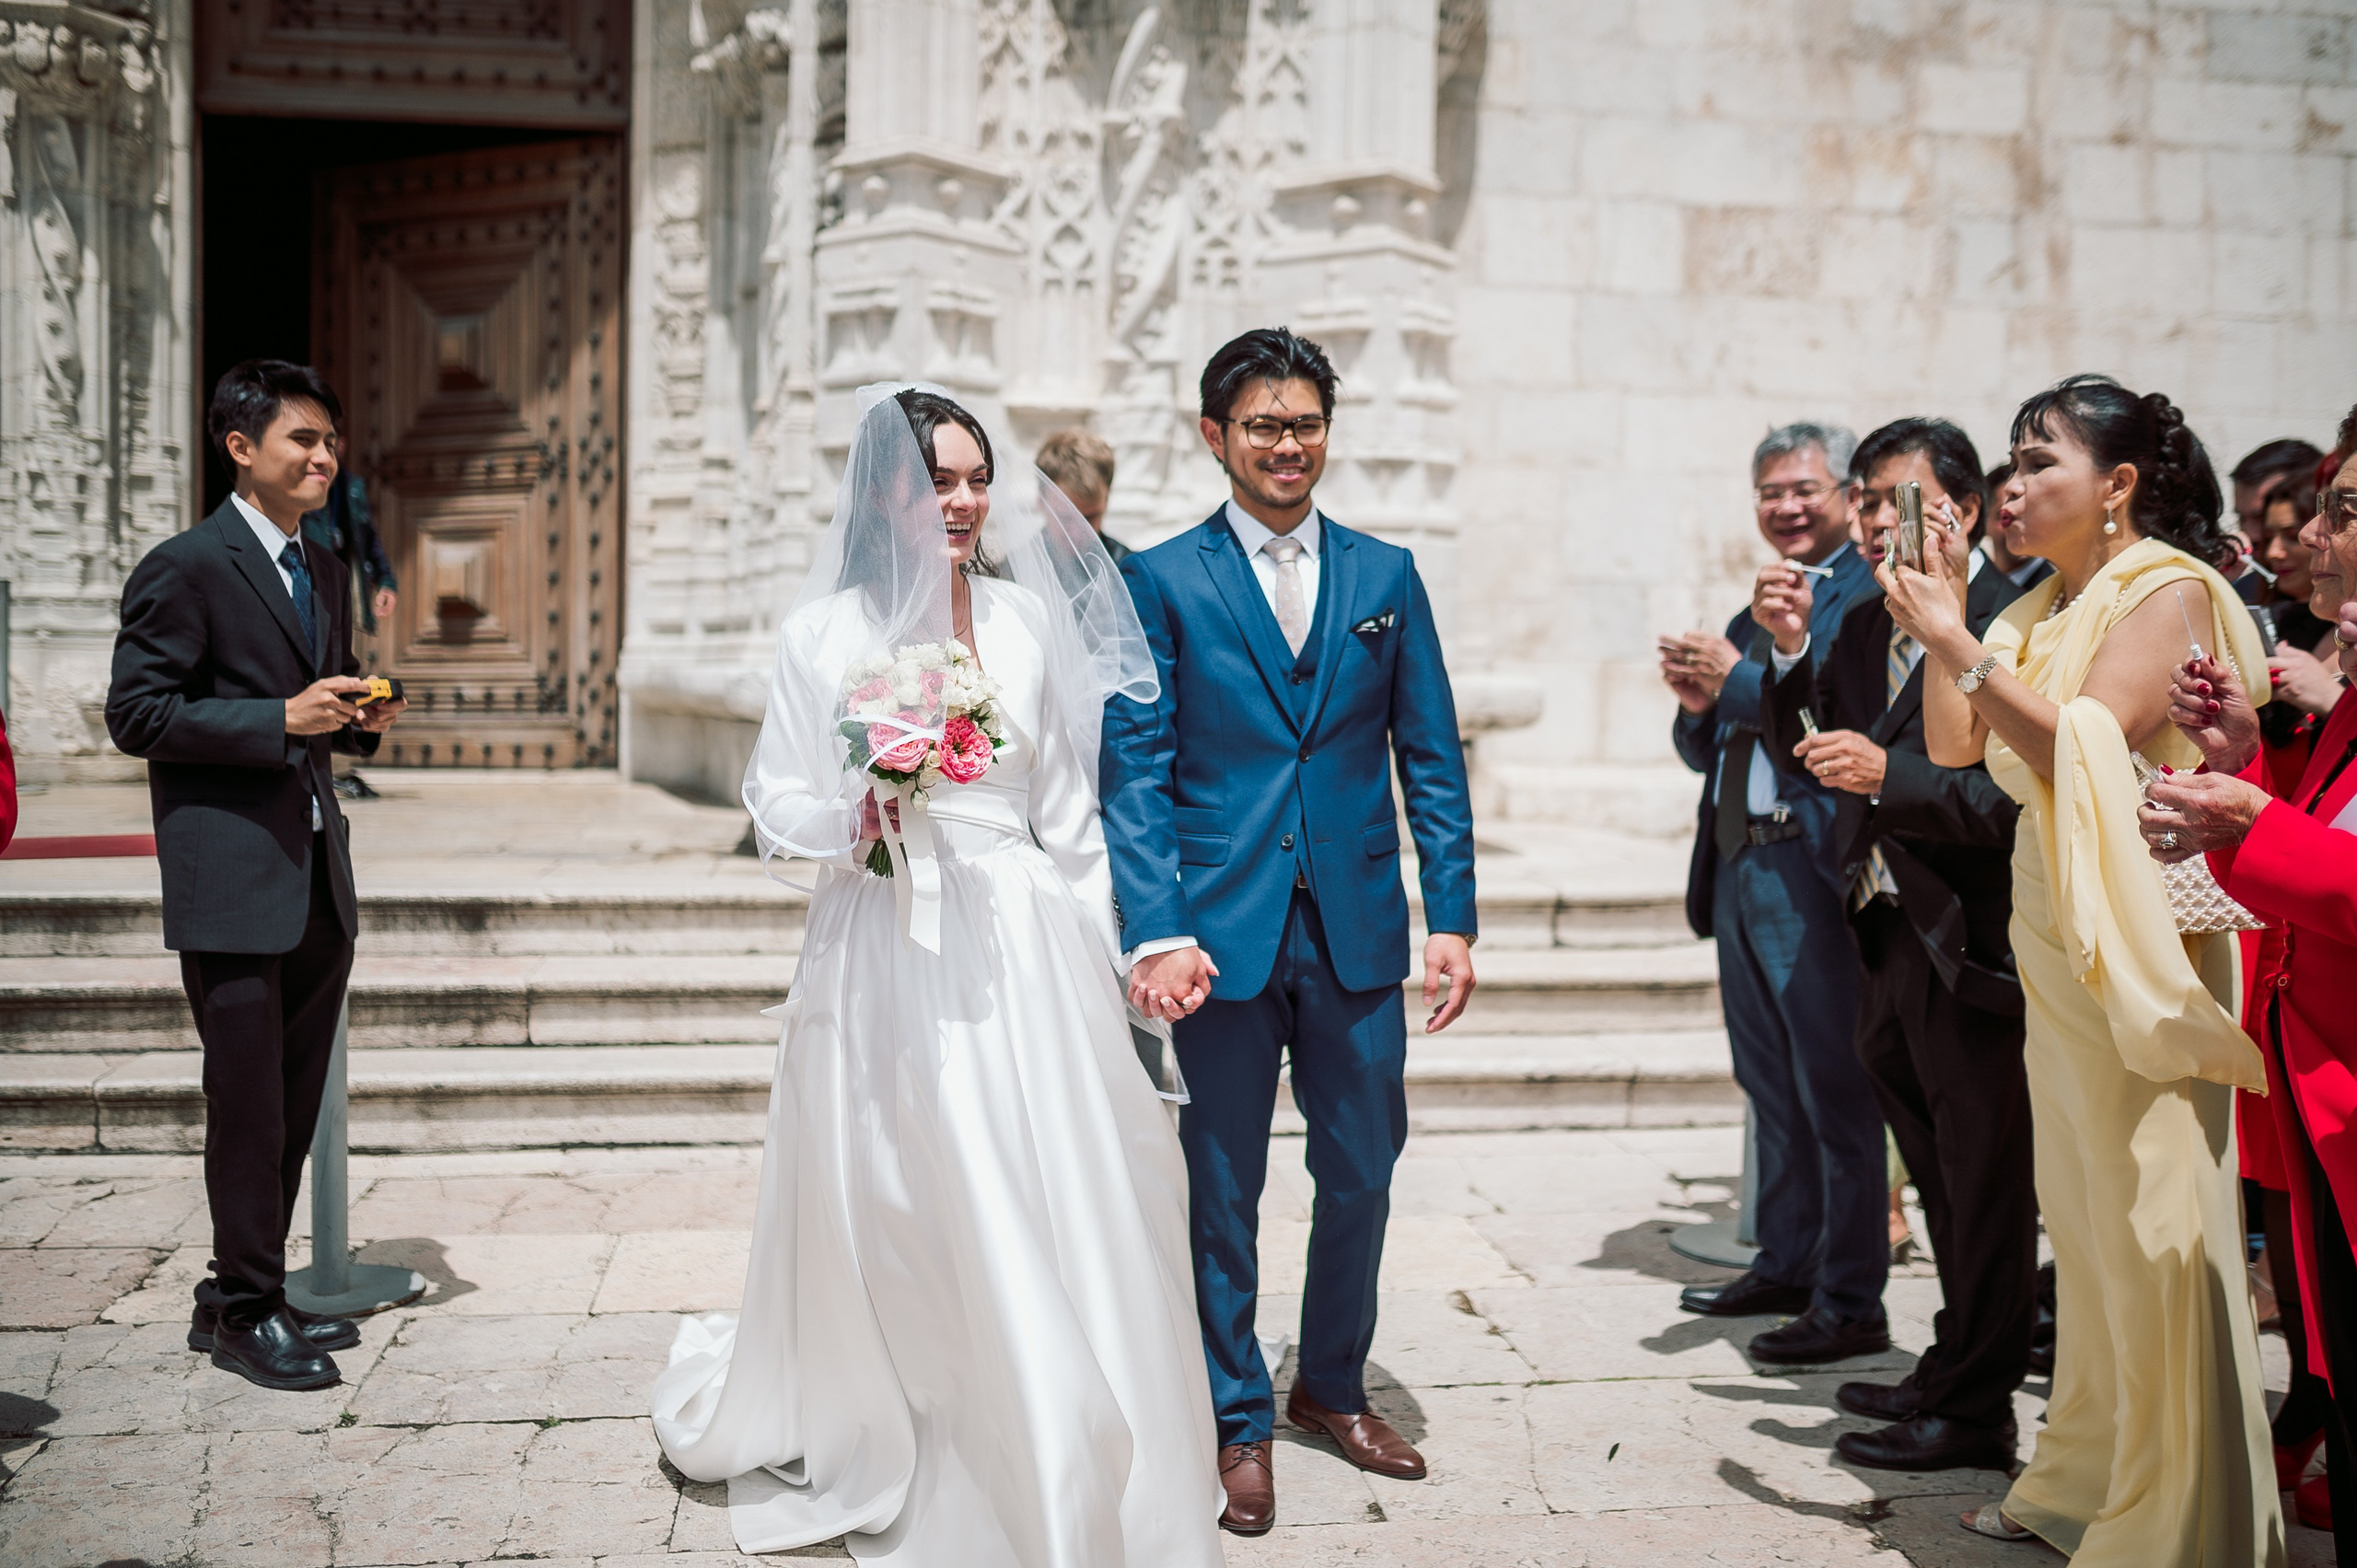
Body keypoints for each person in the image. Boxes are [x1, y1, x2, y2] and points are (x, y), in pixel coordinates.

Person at [648, 384, 1223, 1562]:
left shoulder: (1025, 621)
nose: (963, 501)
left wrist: (1126, 946)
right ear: (884, 496)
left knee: (1046, 1182)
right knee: (919, 1183)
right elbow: (775, 805)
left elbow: (1069, 807)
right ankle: (927, 1404)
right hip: (881, 936)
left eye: (975, 479)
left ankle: (1061, 1435)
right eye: (937, 482)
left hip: (1021, 944)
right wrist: (862, 809)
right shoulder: (824, 633)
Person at [1881, 373, 2283, 1561]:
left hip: (2147, 933)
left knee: (2162, 1220)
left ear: (2114, 486)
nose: (2009, 485)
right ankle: (2085, 1479)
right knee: (2091, 1218)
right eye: (2008, 462)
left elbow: (2079, 747)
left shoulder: (2166, 589)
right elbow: (1961, 743)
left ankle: (2178, 1517)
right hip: (2053, 936)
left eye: (2037, 460)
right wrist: (1951, 611)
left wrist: (1954, 639)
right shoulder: (2034, 608)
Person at [1100, 327, 1478, 1535]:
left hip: (1361, 926)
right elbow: (1138, 768)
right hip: (1220, 934)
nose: (1286, 443)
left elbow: (1431, 756)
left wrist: (1454, 916)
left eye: (1305, 421)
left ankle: (1329, 1380)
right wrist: (1154, 925)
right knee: (1224, 1181)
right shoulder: (1159, 578)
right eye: (1262, 423)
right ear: (1216, 436)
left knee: (1361, 1166)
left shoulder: (1385, 576)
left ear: (1328, 431)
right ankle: (1235, 1415)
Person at [104, 360, 407, 1391]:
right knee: (247, 1103)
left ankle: (237, 1291)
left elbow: (309, 707)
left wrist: (353, 718)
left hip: (317, 867)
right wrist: (277, 718)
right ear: (242, 448)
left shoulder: (318, 566)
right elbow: (136, 714)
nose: (325, 457)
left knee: (290, 1093)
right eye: (303, 441)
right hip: (230, 875)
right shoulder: (185, 564)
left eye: (331, 441)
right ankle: (246, 1310)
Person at [1761, 417, 2036, 1472]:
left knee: (1988, 1183)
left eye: (1896, 499)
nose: (1874, 520)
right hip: (1883, 930)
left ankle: (1977, 1409)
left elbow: (2021, 799)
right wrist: (1788, 649)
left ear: (1960, 510)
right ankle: (1954, 1359)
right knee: (1932, 1175)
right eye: (1867, 500)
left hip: (1975, 942)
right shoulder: (1869, 623)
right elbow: (1814, 742)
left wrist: (1896, 780)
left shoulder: (2015, 620)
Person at [2142, 424, 2357, 1551]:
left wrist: (2256, 823)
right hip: (2314, 1084)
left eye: (2343, 512)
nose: (2312, 540)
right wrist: (2241, 765)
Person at [1664, 423, 1888, 1366]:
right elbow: (1708, 744)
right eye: (1768, 492)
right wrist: (1694, 699)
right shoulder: (1759, 599)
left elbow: (1827, 715)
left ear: (1843, 492)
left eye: (1802, 488)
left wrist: (1743, 680)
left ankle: (1850, 1293)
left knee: (1832, 1083)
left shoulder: (1864, 597)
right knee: (1768, 1083)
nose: (1785, 507)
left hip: (1808, 864)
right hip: (1740, 861)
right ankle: (1788, 1257)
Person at [1036, 426, 1128, 561]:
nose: (1077, 534)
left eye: (1090, 519)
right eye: (1065, 518)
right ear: (1041, 502)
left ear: (1106, 500)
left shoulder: (1129, 569)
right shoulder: (1012, 571)